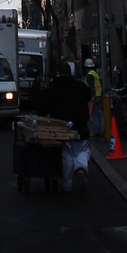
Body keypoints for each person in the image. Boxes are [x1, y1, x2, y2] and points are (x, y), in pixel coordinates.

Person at [46, 60, 92, 192]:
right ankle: (81, 167)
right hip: (80, 126)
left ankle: (67, 183)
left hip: (62, 127)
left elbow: (44, 105)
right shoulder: (80, 86)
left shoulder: (54, 88)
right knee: (82, 150)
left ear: (59, 73)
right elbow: (88, 95)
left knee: (66, 154)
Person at [84, 59, 102, 137]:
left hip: (93, 97)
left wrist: (92, 96)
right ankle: (98, 129)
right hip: (98, 95)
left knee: (93, 115)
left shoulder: (89, 75)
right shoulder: (95, 73)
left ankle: (96, 131)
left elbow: (91, 86)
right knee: (97, 113)